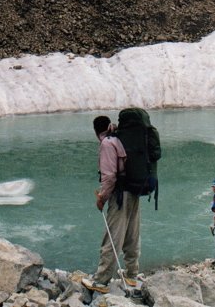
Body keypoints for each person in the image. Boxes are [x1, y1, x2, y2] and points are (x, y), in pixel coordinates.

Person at [81, 115, 141, 294]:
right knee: (132, 233)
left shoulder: (107, 144)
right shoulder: (120, 137)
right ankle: (131, 274)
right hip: (134, 190)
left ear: (95, 131)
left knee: (112, 237)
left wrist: (101, 198)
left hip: (120, 194)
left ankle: (101, 281)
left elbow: (109, 177)